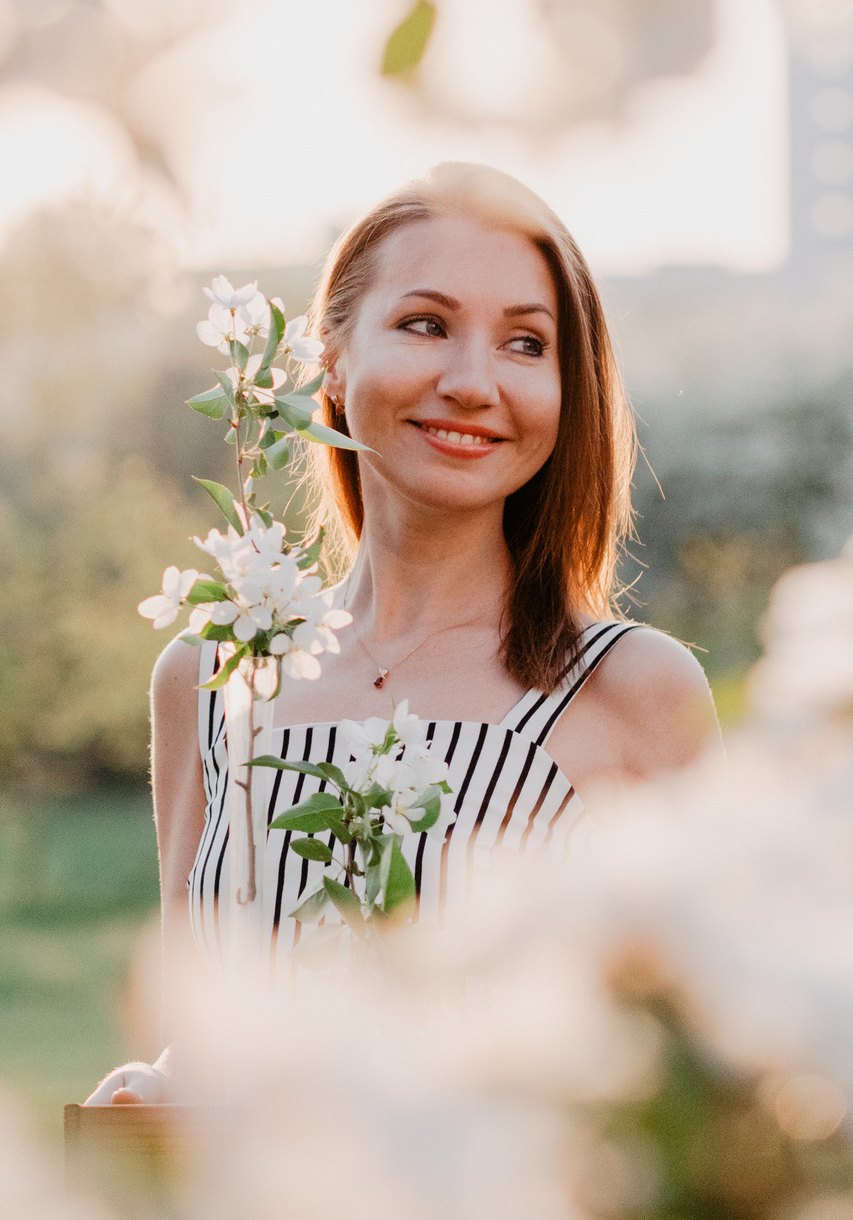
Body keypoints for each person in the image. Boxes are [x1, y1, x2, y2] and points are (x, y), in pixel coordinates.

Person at [85, 163, 719, 1105]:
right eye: (426, 324)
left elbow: (703, 1071)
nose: (471, 383)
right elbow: (199, 1030)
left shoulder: (633, 691)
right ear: (333, 358)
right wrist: (146, 1087)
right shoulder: (213, 675)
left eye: (525, 342)